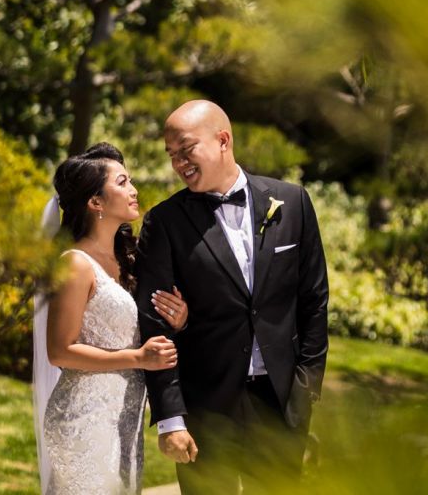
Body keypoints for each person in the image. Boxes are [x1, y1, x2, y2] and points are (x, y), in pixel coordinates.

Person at [135, 100, 329, 494]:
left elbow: (314, 302)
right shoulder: (165, 222)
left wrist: (304, 394)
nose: (179, 164)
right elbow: (155, 325)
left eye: (186, 150)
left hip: (278, 406)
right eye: (172, 156)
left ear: (223, 140)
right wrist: (171, 418)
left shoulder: (292, 204)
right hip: (206, 407)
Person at [34, 142, 189, 495]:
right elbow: (60, 351)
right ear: (96, 202)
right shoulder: (74, 265)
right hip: (83, 416)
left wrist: (178, 319)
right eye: (122, 182)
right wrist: (136, 358)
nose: (133, 190)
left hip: (125, 415)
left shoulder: (128, 260)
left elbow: (140, 324)